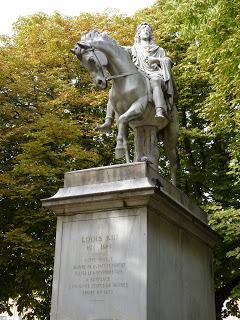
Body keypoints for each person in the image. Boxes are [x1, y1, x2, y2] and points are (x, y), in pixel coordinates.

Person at [97, 22, 175, 131]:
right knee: (114, 90)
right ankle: (108, 121)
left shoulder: (159, 49)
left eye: (148, 31)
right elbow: (117, 50)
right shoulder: (133, 49)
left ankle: (159, 109)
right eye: (143, 30)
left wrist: (156, 60)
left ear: (151, 34)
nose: (146, 32)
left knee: (156, 81)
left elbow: (168, 61)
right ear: (138, 34)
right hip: (138, 75)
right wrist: (105, 41)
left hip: (154, 73)